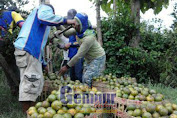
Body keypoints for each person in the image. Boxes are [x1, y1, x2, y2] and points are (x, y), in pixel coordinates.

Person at [13, 3, 68, 112]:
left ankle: (31, 112)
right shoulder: (44, 9)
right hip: (29, 49)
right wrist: (66, 20)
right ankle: (29, 113)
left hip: (29, 51)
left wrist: (43, 63)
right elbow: (43, 17)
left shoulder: (40, 27)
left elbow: (40, 47)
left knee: (32, 82)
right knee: (30, 83)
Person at [59, 13, 106, 87]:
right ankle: (88, 92)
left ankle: (91, 95)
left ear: (81, 24)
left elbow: (78, 56)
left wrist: (66, 67)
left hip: (98, 58)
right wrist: (57, 24)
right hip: (89, 59)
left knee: (87, 78)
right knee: (87, 77)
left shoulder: (89, 38)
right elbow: (66, 33)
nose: (73, 26)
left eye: (75, 24)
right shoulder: (79, 30)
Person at [0, 6, 24, 95]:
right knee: (14, 64)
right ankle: (19, 86)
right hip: (5, 42)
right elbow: (22, 25)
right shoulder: (13, 14)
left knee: (5, 66)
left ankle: (13, 88)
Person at [65, 9, 83, 82]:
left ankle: (82, 91)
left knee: (78, 75)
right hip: (71, 55)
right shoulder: (71, 29)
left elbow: (81, 42)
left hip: (77, 55)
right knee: (72, 76)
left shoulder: (79, 29)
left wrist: (70, 44)